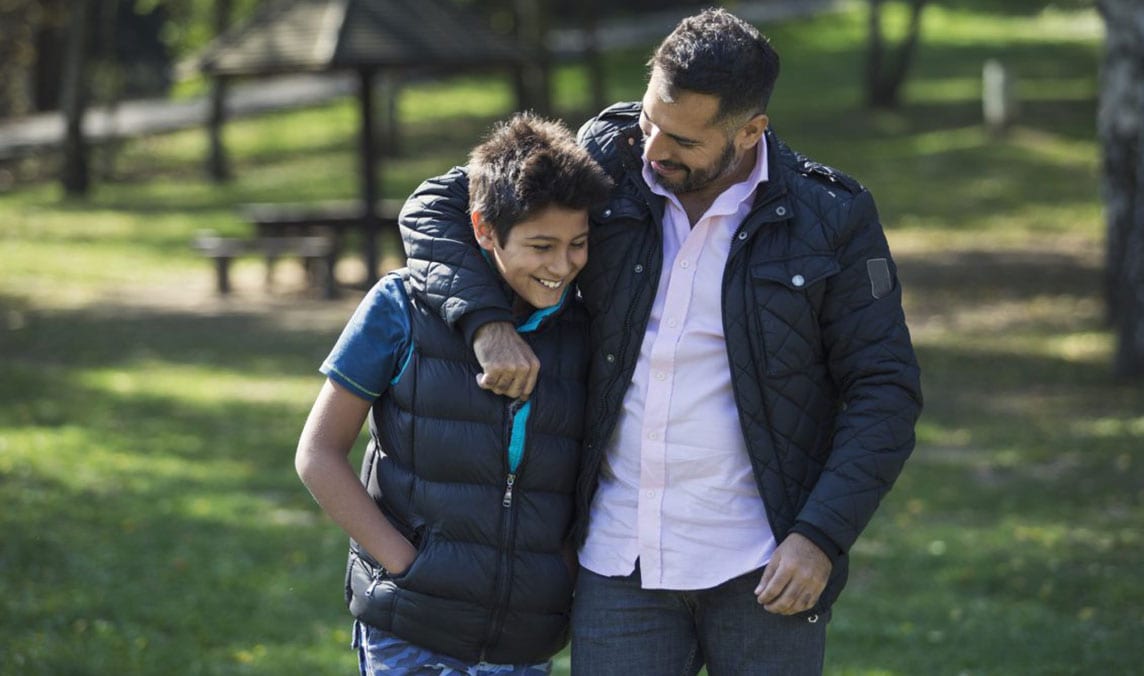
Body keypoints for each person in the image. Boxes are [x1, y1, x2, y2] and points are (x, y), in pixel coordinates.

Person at [397, 9, 923, 675]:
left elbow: (885, 391)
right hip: (619, 562)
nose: (651, 149)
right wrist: (487, 323)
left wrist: (820, 537)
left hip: (765, 566)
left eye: (680, 139)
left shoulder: (833, 217)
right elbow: (435, 207)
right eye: (649, 119)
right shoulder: (608, 153)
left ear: (750, 131)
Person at [295, 112, 613, 675]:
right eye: (542, 246)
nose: (562, 266)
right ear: (484, 229)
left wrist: (558, 572)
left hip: (523, 642)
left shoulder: (586, 332)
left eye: (578, 244)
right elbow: (317, 453)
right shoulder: (400, 306)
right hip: (409, 629)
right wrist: (403, 563)